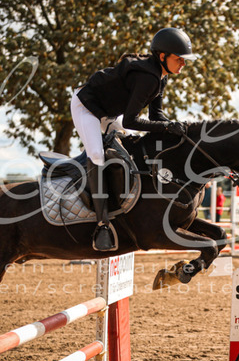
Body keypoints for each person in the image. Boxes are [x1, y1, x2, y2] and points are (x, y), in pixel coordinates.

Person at [70, 28, 199, 251]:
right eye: (179, 59)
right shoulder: (148, 77)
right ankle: (102, 225)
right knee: (97, 154)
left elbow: (156, 117)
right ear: (162, 56)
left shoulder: (160, 76)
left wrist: (177, 129)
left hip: (108, 113)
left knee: (131, 149)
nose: (183, 64)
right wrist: (167, 127)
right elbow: (130, 121)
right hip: (87, 107)